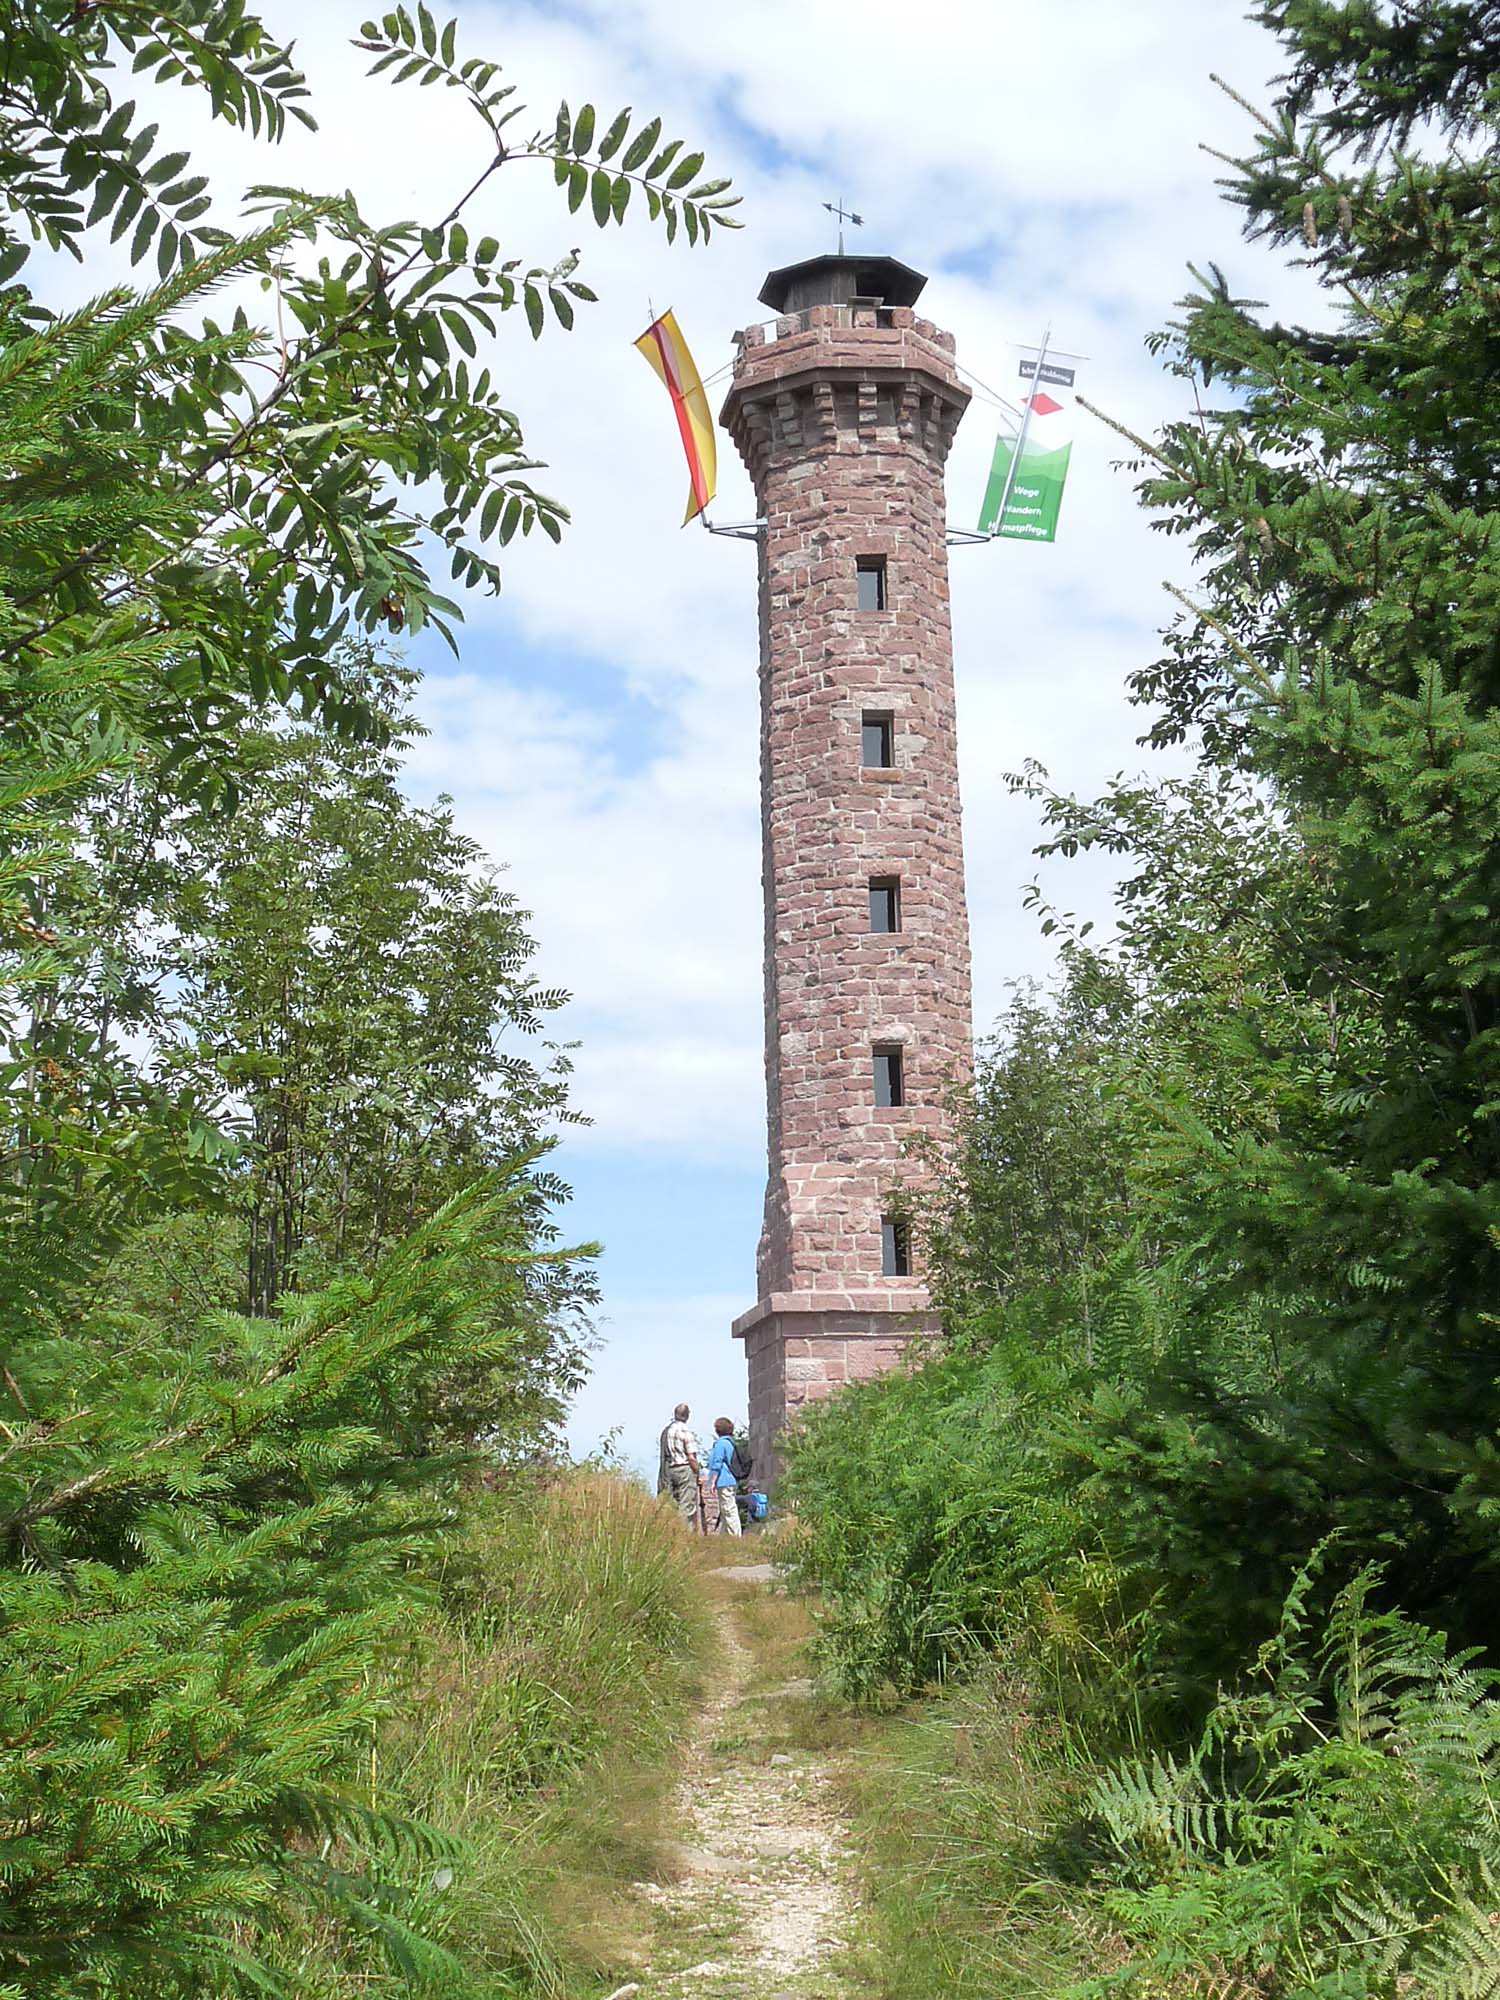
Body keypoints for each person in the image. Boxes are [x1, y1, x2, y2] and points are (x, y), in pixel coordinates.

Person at [659, 1402, 707, 1531]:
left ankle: (670, 1530)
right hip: (684, 1469)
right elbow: (691, 1457)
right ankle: (684, 1532)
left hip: (669, 1469)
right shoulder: (686, 1432)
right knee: (686, 1505)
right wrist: (698, 1472)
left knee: (671, 1502)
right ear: (687, 1416)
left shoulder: (666, 1431)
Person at [704, 1416, 742, 1538]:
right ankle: (726, 1537)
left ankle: (735, 1537)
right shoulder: (730, 1443)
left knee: (729, 1509)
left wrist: (712, 1481)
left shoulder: (721, 1444)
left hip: (724, 1480)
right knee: (726, 1509)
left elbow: (717, 1463)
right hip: (732, 1480)